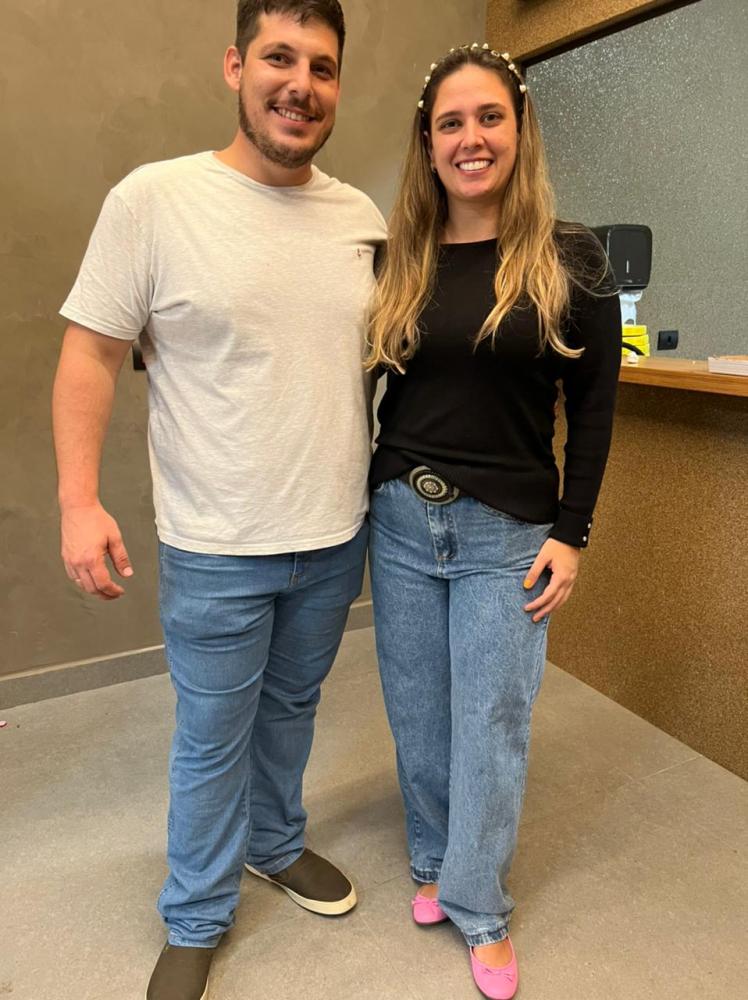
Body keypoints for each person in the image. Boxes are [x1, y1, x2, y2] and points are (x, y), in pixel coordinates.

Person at [52, 2, 386, 997]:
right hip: (215, 544)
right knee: (212, 740)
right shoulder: (154, 200)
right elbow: (91, 353)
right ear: (236, 66)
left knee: (292, 711)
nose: (301, 85)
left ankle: (273, 844)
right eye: (280, 57)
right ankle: (195, 913)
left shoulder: (361, 219)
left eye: (322, 66)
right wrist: (77, 500)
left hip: (334, 534)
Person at [365, 43, 621, 1000]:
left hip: (508, 532)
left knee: (492, 720)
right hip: (401, 519)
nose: (470, 139)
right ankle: (435, 861)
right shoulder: (399, 257)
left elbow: (594, 408)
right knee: (419, 712)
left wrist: (573, 531)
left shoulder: (572, 258)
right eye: (450, 123)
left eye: (488, 118)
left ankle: (480, 904)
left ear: (520, 128)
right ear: (427, 142)